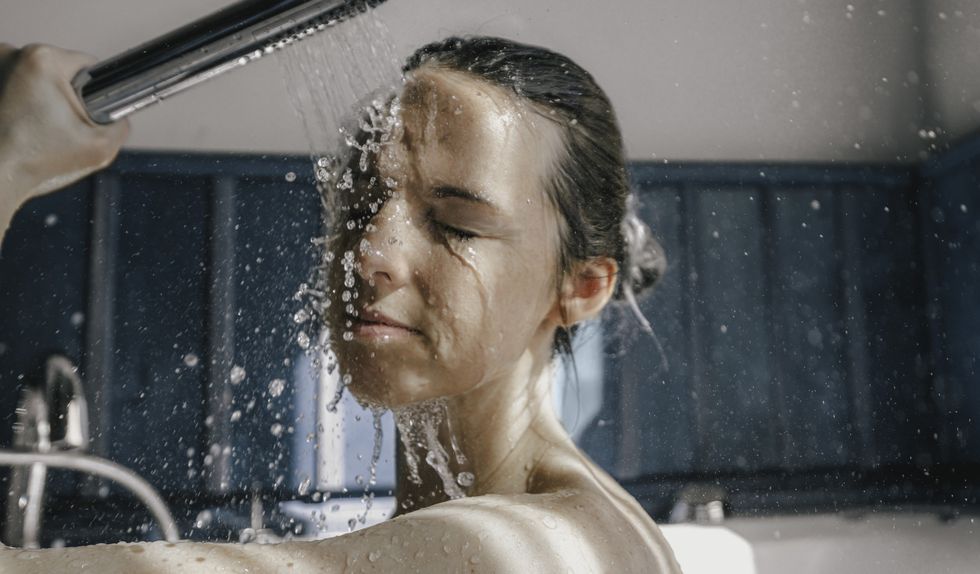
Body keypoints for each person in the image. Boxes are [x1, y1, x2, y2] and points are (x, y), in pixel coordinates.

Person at [0, 36, 679, 573]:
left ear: (581, 288)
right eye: (360, 204)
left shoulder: (542, 550)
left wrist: (11, 158)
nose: (369, 250)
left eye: (455, 225)